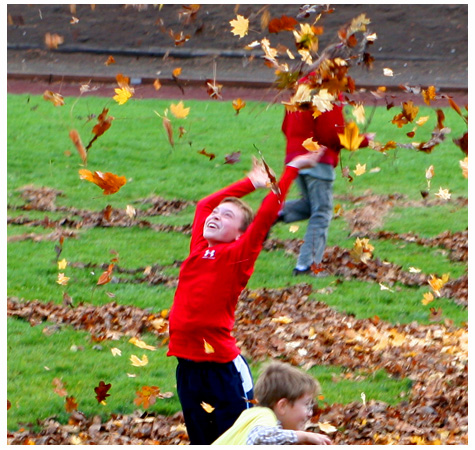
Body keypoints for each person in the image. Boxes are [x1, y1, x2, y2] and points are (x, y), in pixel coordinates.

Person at [167, 151, 323, 445]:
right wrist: (250, 182)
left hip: (223, 371)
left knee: (241, 440)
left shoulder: (236, 256)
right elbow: (205, 204)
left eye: (227, 216)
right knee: (203, 442)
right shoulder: (200, 249)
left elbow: (264, 217)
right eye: (217, 213)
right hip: (187, 368)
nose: (215, 215)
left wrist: (288, 171)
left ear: (240, 234)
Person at [279, 51, 371, 277]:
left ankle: (275, 214)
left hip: (296, 158)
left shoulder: (300, 90)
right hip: (318, 160)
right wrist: (364, 140)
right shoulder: (326, 93)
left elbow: (286, 126)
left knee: (310, 205)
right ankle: (306, 266)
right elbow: (332, 134)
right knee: (321, 213)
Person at [212, 361, 332, 445]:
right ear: (282, 406)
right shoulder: (265, 416)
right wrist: (302, 435)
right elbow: (259, 437)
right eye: (306, 405)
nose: (310, 413)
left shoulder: (252, 415)